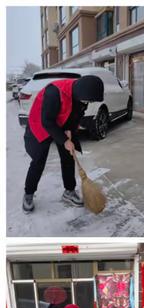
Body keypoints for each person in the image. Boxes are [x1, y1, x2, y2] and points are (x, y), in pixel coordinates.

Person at [23, 75, 104, 213]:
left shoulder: (82, 94)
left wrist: (70, 131)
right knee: (39, 160)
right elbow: (47, 121)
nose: (87, 103)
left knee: (68, 157)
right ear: (80, 92)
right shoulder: (54, 92)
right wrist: (64, 140)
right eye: (87, 100)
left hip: (61, 123)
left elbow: (76, 114)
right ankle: (28, 193)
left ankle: (69, 191)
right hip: (41, 124)